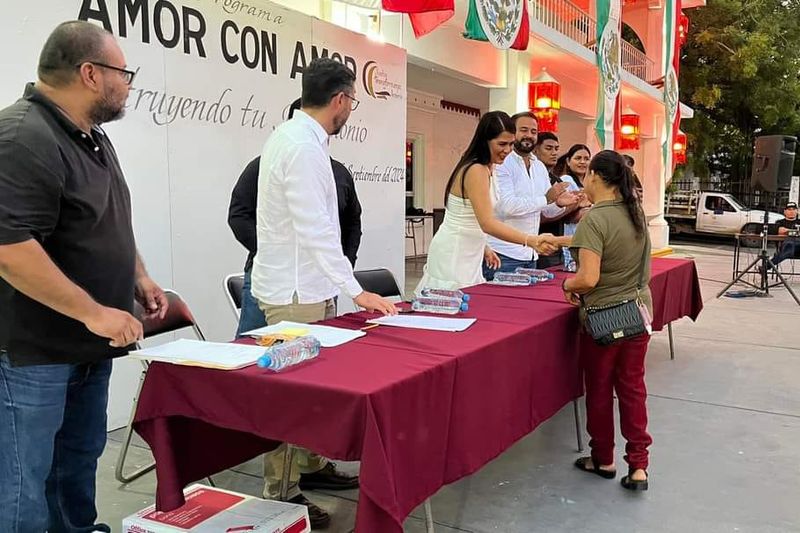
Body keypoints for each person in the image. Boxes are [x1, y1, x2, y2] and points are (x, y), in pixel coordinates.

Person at [0, 21, 169, 531]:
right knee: (23, 483)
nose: (129, 83)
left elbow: (105, 218)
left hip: (87, 351)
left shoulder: (90, 135)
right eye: (124, 72)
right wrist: (94, 312)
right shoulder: (23, 137)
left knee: (75, 466)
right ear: (91, 73)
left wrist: (138, 275)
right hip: (35, 356)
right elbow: (9, 249)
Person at [251, 57, 396, 528]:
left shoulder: (296, 139)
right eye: (352, 100)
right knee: (291, 399)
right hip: (295, 291)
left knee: (312, 392)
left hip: (306, 286)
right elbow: (316, 230)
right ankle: (282, 493)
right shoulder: (302, 147)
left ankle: (310, 466)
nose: (351, 109)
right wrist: (356, 290)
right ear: (339, 99)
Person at [228, 98, 362, 337]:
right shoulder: (265, 165)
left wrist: (343, 264)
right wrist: (272, 249)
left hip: (321, 279)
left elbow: (352, 221)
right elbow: (239, 216)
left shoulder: (337, 172)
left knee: (319, 352)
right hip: (278, 280)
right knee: (253, 350)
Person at [562, 150, 653, 491]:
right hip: (638, 313)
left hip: (603, 320)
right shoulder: (636, 214)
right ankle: (639, 465)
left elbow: (587, 278)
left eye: (587, 174)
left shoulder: (595, 219)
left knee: (599, 391)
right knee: (633, 390)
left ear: (597, 177)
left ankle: (603, 458)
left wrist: (566, 284)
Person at [416, 111, 559, 293]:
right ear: (485, 141)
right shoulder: (476, 169)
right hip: (455, 250)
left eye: (510, 144)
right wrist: (529, 240)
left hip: (473, 249)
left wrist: (485, 247)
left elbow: (473, 218)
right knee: (449, 304)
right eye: (502, 144)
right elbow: (487, 222)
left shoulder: (490, 168)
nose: (507, 150)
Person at [483, 112, 577, 280]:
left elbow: (546, 212)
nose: (529, 136)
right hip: (503, 253)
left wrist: (559, 203)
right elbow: (506, 207)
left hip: (531, 254)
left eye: (533, 132)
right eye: (524, 130)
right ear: (512, 132)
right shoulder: (502, 163)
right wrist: (547, 199)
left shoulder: (538, 166)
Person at [536, 132, 579, 268]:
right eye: (548, 148)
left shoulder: (556, 180)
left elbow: (568, 218)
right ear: (535, 150)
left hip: (556, 244)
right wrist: (573, 205)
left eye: (556, 149)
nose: (554, 153)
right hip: (538, 243)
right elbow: (540, 215)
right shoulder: (533, 179)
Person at [554, 144, 593, 270]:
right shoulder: (566, 180)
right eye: (578, 158)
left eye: (586, 159)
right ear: (568, 161)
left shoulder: (588, 183)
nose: (583, 162)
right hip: (571, 238)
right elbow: (568, 216)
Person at [770, 201, 799, 267]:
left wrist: (787, 231)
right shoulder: (780, 222)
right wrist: (795, 231)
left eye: (794, 209)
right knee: (789, 246)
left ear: (797, 211)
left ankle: (766, 266)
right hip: (785, 247)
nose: (791, 211)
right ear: (784, 211)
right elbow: (780, 231)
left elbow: (784, 231)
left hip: (798, 247)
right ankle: (766, 266)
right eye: (789, 209)